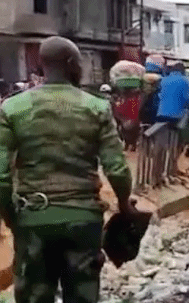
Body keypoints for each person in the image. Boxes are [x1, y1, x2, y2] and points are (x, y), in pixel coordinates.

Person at [0, 36, 135, 303]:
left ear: (41, 64)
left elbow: (2, 176)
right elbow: (116, 168)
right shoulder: (96, 107)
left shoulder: (12, 107)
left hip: (33, 218)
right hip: (83, 220)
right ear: (73, 64)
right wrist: (124, 204)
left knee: (34, 296)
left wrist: (11, 217)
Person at [156, 62, 189, 176]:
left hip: (161, 114)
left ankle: (159, 169)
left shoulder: (164, 80)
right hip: (177, 115)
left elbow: (160, 95)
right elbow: (187, 99)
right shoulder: (186, 81)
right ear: (183, 71)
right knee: (181, 140)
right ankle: (173, 166)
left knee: (162, 143)